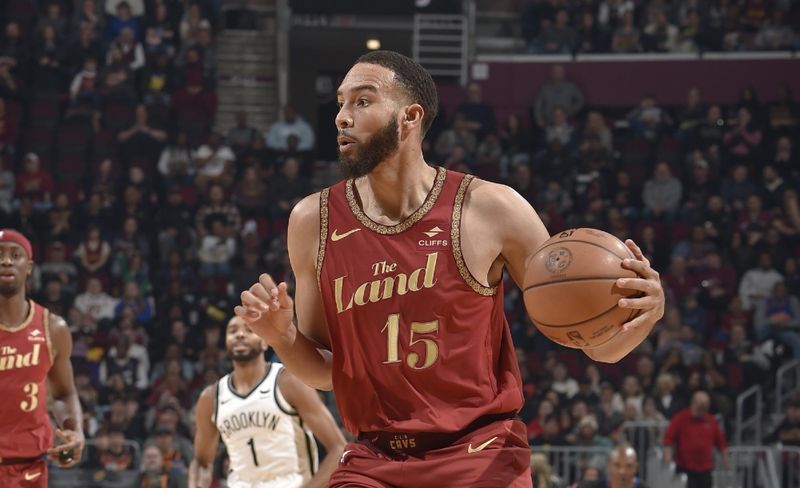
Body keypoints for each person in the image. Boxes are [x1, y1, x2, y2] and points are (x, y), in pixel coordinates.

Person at [236, 51, 665, 488]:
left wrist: (642, 316)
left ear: (410, 116)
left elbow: (595, 345)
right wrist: (281, 336)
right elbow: (326, 372)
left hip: (481, 454)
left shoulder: (492, 208)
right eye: (341, 103)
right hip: (373, 459)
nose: (342, 117)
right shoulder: (312, 220)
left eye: (363, 102)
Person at [189, 316, 345, 488]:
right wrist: (197, 478)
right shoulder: (210, 398)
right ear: (226, 342)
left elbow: (338, 448)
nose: (240, 335)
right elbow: (202, 462)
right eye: (233, 331)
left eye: (249, 330)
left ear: (265, 342)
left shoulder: (288, 382)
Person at [0, 229, 85, 486]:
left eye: (16, 255)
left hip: (29, 468)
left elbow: (63, 394)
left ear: (29, 267)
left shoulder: (53, 328)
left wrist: (74, 431)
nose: (6, 261)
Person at [662, 391, 730, 488]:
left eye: (705, 407)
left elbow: (721, 444)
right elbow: (668, 439)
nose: (703, 410)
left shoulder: (711, 421)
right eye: (701, 407)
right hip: (685, 468)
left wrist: (727, 462)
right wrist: (667, 457)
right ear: (693, 403)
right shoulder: (681, 418)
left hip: (705, 469)